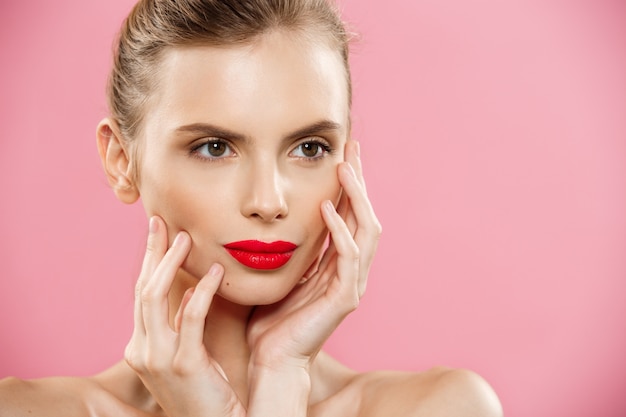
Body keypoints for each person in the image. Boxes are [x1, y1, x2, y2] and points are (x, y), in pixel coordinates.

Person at [0, 0, 502, 415]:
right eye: (215, 147)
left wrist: (282, 375)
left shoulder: (444, 407)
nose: (268, 202)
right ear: (120, 160)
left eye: (309, 148)